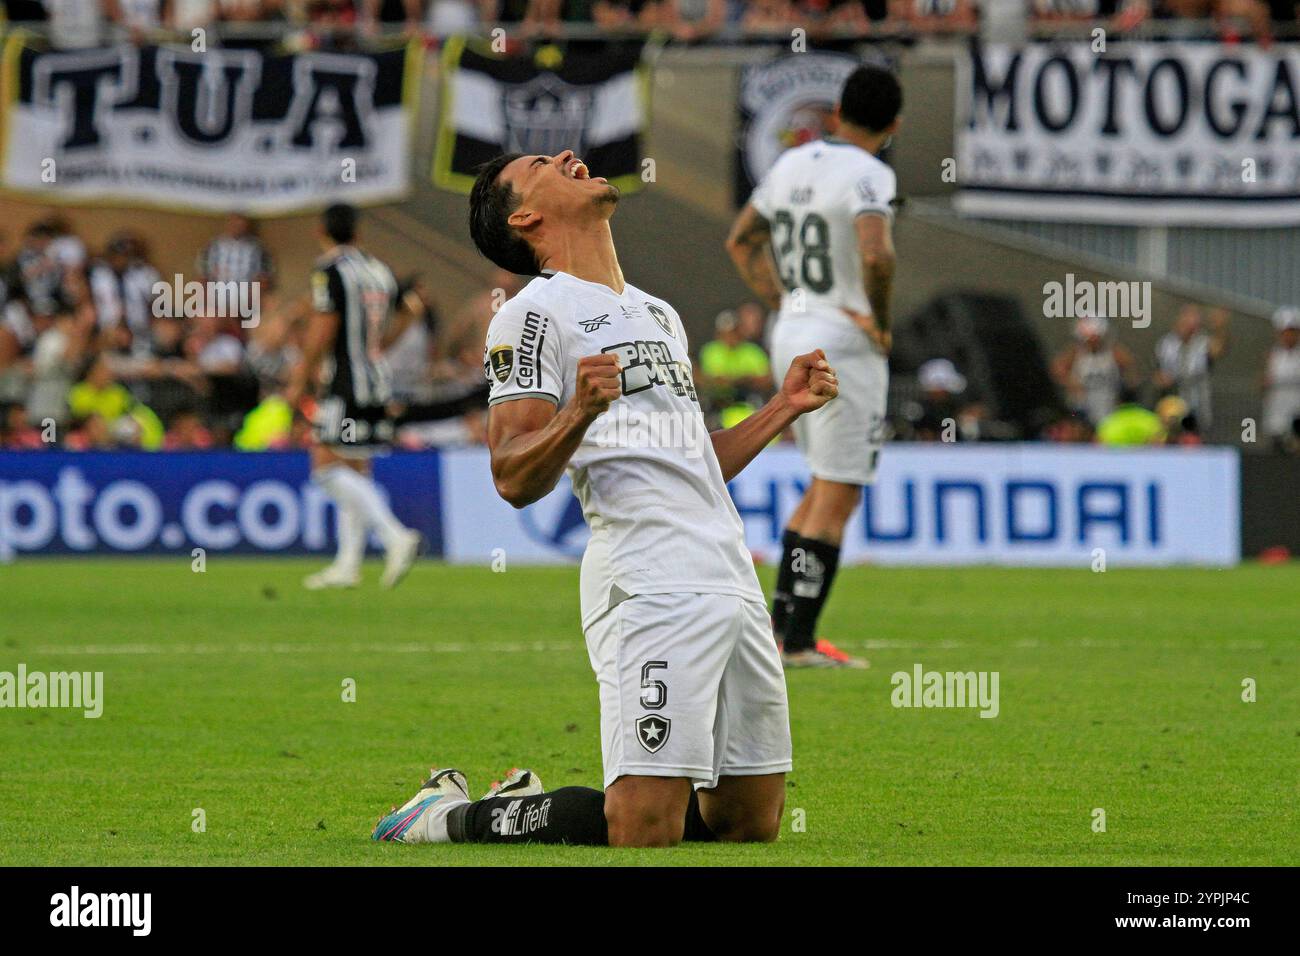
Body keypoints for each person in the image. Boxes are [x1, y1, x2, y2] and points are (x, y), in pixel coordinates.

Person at [372, 148, 840, 849]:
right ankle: (445, 817)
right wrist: (576, 414)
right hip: (648, 580)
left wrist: (782, 408)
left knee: (746, 823)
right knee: (642, 827)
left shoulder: (657, 313)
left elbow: (694, 462)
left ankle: (527, 800)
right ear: (525, 216)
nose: (568, 154)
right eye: (540, 162)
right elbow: (510, 475)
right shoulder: (531, 318)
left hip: (730, 577)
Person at [725, 63, 901, 668]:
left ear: (836, 114)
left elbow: (741, 240)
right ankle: (796, 643)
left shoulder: (790, 163)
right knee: (838, 493)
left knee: (820, 485)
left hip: (792, 332)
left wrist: (785, 303)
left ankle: (781, 631)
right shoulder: (873, 173)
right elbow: (875, 254)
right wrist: (877, 320)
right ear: (894, 124)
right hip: (844, 339)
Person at [284, 204, 422, 591]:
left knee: (325, 467)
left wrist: (300, 377)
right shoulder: (379, 271)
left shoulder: (329, 271)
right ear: (357, 233)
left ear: (320, 230)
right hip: (377, 378)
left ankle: (395, 536)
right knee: (356, 469)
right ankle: (348, 565)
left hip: (345, 381)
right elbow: (403, 320)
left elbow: (324, 326)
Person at [1154, 304, 1229, 434]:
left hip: (1196, 403)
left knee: (1193, 439)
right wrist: (1162, 379)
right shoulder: (1166, 343)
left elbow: (1218, 350)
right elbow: (1158, 372)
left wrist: (1219, 328)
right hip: (1172, 403)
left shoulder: (1203, 342)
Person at [1051, 315, 1136, 427]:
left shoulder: (1114, 353)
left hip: (1109, 402)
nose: (1092, 341)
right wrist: (1071, 383)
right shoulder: (1075, 354)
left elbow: (1132, 374)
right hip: (1083, 408)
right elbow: (1057, 370)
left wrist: (1123, 388)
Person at [696, 309, 772, 427]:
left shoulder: (752, 351)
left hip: (750, 405)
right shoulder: (711, 351)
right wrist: (744, 379)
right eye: (726, 333)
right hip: (719, 409)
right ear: (719, 333)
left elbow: (765, 380)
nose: (730, 337)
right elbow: (713, 381)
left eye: (733, 332)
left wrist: (734, 380)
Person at [1262, 306, 1300, 453]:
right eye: (1285, 332)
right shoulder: (1273, 356)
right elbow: (1263, 384)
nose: (1288, 336)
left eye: (1292, 331)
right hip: (1276, 417)